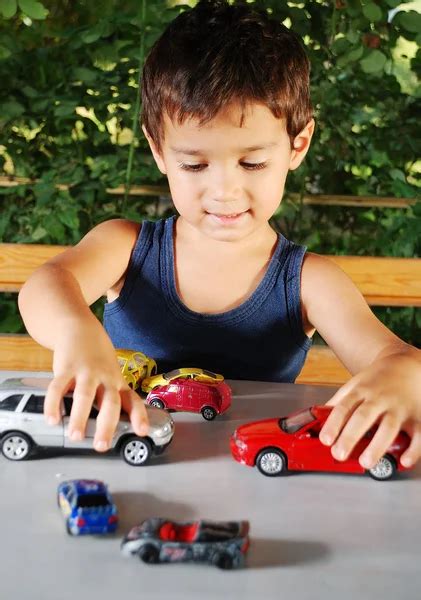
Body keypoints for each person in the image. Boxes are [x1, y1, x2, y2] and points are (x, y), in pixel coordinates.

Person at [18, 0, 421, 469]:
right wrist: (77, 335)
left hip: (259, 474)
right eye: (194, 164)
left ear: (298, 146)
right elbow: (47, 284)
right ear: (158, 150)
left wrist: (403, 376)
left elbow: (395, 356)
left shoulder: (310, 282)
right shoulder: (125, 246)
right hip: (124, 462)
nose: (225, 191)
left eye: (253, 163)